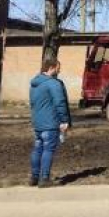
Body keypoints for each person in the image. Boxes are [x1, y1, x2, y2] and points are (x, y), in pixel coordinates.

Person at [29, 58, 71, 187]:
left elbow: (32, 104)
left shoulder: (34, 84)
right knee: (48, 149)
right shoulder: (53, 84)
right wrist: (64, 120)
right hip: (51, 123)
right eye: (58, 67)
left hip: (38, 123)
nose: (60, 70)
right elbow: (60, 103)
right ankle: (44, 178)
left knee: (37, 149)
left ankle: (34, 177)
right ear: (51, 67)